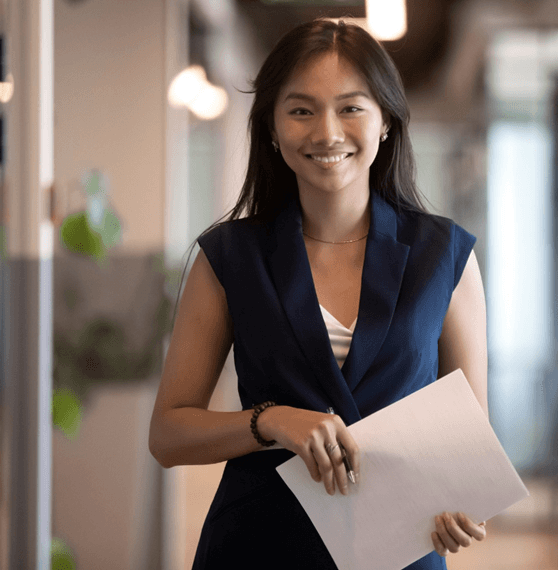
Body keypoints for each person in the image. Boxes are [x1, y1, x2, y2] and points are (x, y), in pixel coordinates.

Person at [149, 18, 488, 569]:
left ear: (384, 123)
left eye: (351, 107)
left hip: (400, 552)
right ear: (274, 130)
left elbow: (471, 445)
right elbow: (168, 434)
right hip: (258, 548)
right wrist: (271, 420)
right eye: (301, 110)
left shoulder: (444, 255)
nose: (327, 132)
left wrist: (460, 504)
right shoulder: (229, 256)